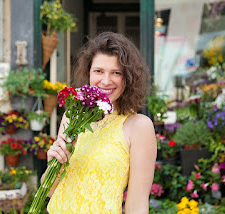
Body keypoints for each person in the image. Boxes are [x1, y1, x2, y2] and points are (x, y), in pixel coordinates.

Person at [42, 32, 157, 214]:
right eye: (98, 71)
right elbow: (50, 191)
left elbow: (137, 205)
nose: (105, 81)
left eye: (116, 73)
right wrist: (54, 165)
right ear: (88, 73)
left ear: (128, 78)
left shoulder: (138, 126)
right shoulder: (73, 115)